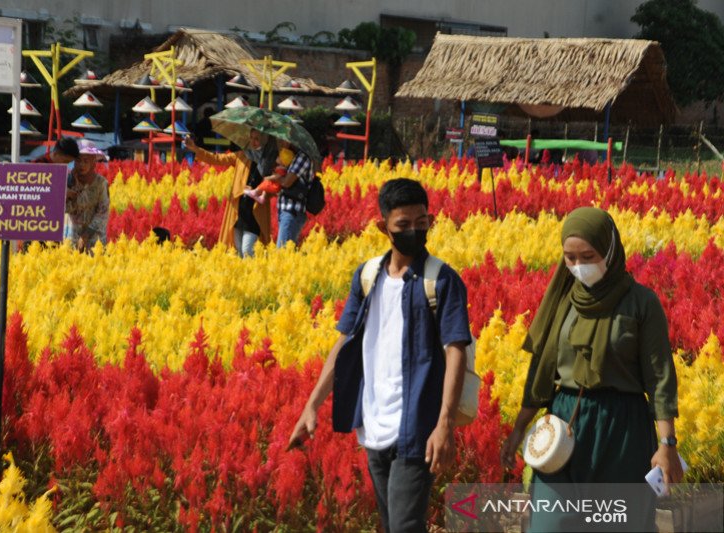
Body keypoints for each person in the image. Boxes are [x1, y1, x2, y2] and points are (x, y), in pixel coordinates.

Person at [288, 178, 472, 532]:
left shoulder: (443, 281)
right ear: (382, 227)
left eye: (422, 224)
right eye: (403, 225)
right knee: (392, 526)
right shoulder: (367, 276)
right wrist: (311, 406)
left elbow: (455, 352)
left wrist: (444, 423)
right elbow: (343, 344)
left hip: (418, 426)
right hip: (374, 422)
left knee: (404, 526)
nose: (415, 233)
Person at [500, 206, 682, 532]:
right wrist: (518, 429)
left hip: (621, 428)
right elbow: (541, 369)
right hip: (563, 423)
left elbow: (659, 377)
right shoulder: (562, 299)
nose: (579, 265)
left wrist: (666, 445)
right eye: (570, 257)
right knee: (549, 524)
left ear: (610, 251)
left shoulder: (641, 303)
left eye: (588, 255)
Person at [184, 130, 277, 257]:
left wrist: (261, 190)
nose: (253, 142)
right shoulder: (242, 155)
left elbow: (275, 186)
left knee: (247, 250)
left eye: (257, 139)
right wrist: (195, 149)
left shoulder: (271, 161)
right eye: (251, 138)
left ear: (264, 140)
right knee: (237, 250)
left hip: (256, 213)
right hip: (238, 211)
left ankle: (254, 274)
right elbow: (217, 158)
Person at [65, 139, 110, 253]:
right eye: (78, 160)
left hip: (95, 241)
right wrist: (69, 193)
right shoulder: (67, 181)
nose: (82, 165)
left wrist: (86, 235)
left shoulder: (101, 183)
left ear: (93, 162)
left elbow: (102, 213)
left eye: (86, 161)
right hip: (71, 239)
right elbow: (62, 209)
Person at [275, 140, 314, 248]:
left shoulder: (302, 158)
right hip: (284, 211)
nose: (281, 142)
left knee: (282, 254)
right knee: (287, 252)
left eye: (283, 139)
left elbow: (286, 182)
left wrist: (274, 178)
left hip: (292, 212)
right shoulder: (289, 157)